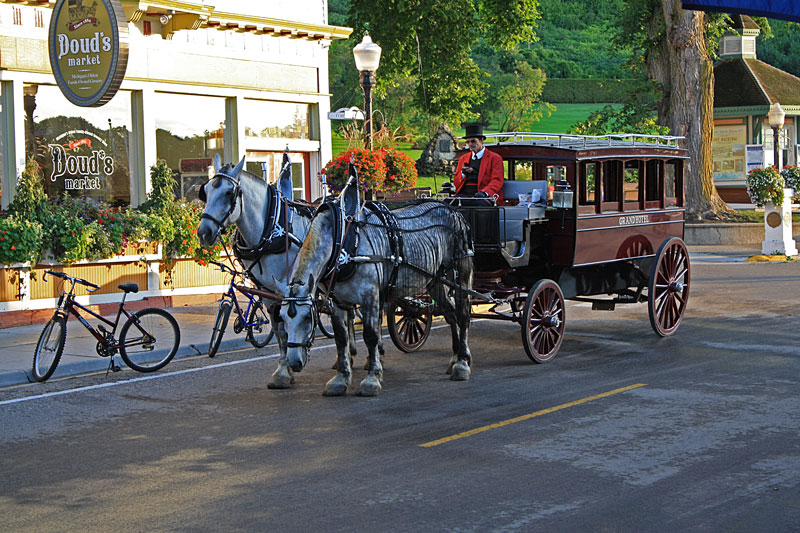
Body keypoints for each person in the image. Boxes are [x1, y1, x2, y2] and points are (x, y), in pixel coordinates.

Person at [451, 123, 504, 203]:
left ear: (481, 140)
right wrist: (462, 174)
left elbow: (497, 181)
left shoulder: (495, 158)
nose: (470, 144)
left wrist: (485, 193)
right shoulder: (463, 158)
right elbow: (456, 183)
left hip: (483, 196)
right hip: (464, 195)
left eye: (473, 141)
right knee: (446, 204)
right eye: (468, 142)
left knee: (477, 206)